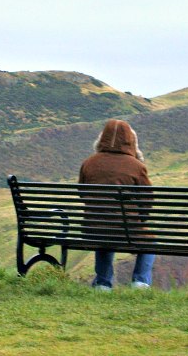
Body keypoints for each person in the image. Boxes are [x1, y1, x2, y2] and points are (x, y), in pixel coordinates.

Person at [78, 119, 155, 290]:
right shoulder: (136, 166)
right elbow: (147, 200)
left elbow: (83, 194)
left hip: (93, 230)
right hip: (126, 230)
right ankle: (140, 281)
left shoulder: (89, 163)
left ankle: (103, 282)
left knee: (103, 228)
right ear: (130, 141)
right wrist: (141, 220)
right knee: (150, 241)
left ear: (102, 139)